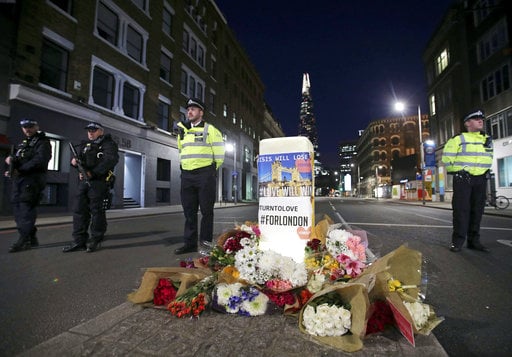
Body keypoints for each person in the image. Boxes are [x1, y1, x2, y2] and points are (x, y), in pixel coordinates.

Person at [174, 98, 225, 254]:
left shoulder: (211, 130)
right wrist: (185, 168)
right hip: (187, 175)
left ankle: (205, 245)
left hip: (205, 174)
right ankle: (189, 244)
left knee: (206, 211)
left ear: (201, 112)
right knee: (189, 212)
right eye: (188, 109)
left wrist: (210, 170)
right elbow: (181, 151)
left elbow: (219, 154)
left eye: (193, 109)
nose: (189, 111)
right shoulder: (182, 131)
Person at [441, 110, 493, 253]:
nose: (480, 120)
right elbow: (446, 158)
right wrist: (457, 171)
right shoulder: (458, 139)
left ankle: (474, 241)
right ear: (467, 123)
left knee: (477, 211)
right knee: (461, 211)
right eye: (476, 119)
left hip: (481, 179)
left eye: (481, 118)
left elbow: (488, 158)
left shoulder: (487, 139)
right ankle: (457, 242)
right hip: (463, 179)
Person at [63, 122, 119, 253]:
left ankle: (96, 239)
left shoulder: (108, 144)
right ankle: (79, 241)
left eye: (94, 130)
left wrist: (93, 173)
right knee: (79, 210)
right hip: (84, 182)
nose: (90, 133)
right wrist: (75, 164)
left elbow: (110, 161)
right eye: (89, 130)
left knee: (97, 211)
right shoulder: (85, 145)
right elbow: (82, 162)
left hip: (99, 182)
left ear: (101, 131)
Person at [4, 119, 52, 253]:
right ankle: (31, 237)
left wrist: (21, 170)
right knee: (18, 211)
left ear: (37, 127)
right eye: (24, 127)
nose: (27, 130)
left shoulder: (42, 142)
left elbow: (40, 161)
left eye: (30, 127)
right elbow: (20, 160)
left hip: (32, 181)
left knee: (26, 211)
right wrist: (12, 163)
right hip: (19, 180)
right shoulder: (23, 143)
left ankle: (23, 240)